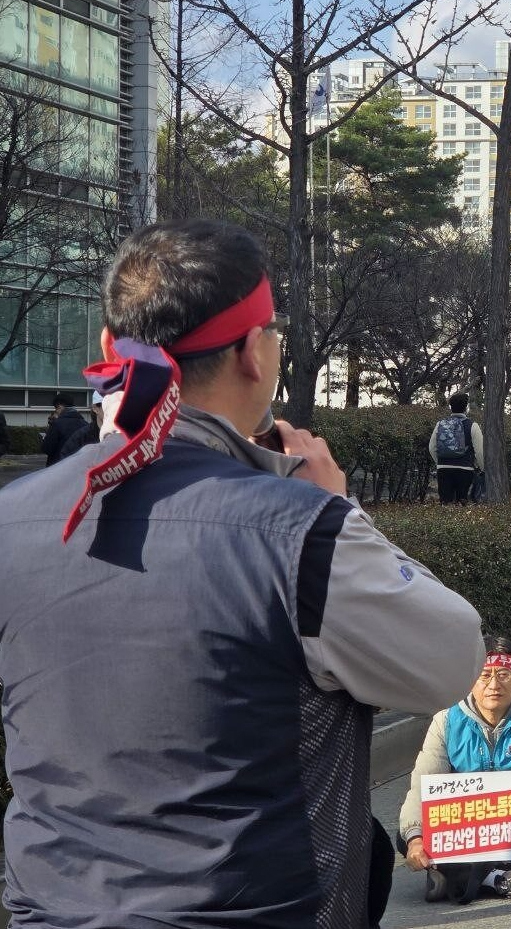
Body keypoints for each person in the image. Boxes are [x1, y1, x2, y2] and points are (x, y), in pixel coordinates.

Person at [0, 219, 485, 926]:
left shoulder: (14, 516)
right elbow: (452, 660)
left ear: (109, 347)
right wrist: (340, 509)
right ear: (254, 354)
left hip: (52, 911)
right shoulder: (303, 531)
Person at [401, 637, 511, 904]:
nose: (494, 685)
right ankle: (506, 880)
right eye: (484, 676)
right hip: (465, 829)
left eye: (504, 675)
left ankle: (454, 876)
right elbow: (423, 784)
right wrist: (415, 838)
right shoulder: (445, 721)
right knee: (405, 836)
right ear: (470, 679)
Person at [429, 391, 483, 504]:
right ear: (466, 407)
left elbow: (432, 447)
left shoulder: (440, 424)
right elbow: (480, 451)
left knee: (445, 503)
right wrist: (482, 468)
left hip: (443, 468)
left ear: (451, 407)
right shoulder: (473, 425)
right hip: (465, 469)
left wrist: (439, 462)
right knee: (462, 503)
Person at [40, 391, 87, 466]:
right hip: (78, 468)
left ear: (60, 407)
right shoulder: (85, 424)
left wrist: (44, 438)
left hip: (58, 468)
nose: (56, 412)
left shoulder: (57, 424)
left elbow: (47, 449)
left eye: (56, 409)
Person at [58, 391, 105, 459]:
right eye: (108, 405)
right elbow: (65, 464)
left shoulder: (124, 434)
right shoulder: (81, 438)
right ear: (95, 408)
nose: (115, 409)